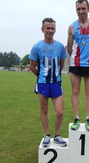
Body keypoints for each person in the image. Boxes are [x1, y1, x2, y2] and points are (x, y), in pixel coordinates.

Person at [29, 18, 67, 147]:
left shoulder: (60, 46)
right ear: (42, 29)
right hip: (42, 83)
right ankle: (46, 135)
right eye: (48, 28)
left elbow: (62, 65)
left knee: (60, 112)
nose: (50, 31)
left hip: (56, 83)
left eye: (52, 28)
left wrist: (54, 76)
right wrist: (41, 77)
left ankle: (57, 135)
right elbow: (32, 66)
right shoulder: (37, 46)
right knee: (44, 110)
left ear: (55, 30)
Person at [67, 0, 89, 131]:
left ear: (88, 9)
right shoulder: (71, 27)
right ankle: (76, 118)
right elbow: (69, 47)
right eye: (78, 9)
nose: (81, 11)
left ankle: (88, 119)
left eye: (83, 8)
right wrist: (77, 58)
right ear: (76, 10)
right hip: (75, 64)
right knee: (75, 91)